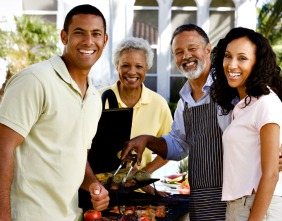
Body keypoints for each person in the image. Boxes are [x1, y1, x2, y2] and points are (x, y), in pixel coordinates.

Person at [0, 4, 110, 221]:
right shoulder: (35, 80)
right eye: (79, 32)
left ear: (104, 40)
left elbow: (77, 157)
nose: (89, 41)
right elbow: (3, 148)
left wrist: (93, 184)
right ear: (64, 37)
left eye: (96, 34)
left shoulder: (94, 99)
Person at [121, 24, 229, 220]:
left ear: (207, 50)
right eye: (179, 52)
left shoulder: (229, 87)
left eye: (192, 48)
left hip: (235, 198)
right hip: (202, 198)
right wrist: (147, 140)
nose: (186, 56)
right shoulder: (185, 100)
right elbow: (178, 145)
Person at [80, 37, 173, 210]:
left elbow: (170, 147)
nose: (132, 72)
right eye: (125, 65)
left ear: (147, 68)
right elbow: (79, 150)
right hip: (98, 194)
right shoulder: (95, 100)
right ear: (116, 66)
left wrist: (143, 175)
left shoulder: (158, 104)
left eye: (139, 66)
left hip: (139, 196)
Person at [210, 27, 282, 221]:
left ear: (257, 63)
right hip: (237, 206)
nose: (232, 65)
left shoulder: (265, 102)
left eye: (242, 58)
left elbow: (272, 173)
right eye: (227, 56)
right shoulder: (243, 107)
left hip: (258, 206)